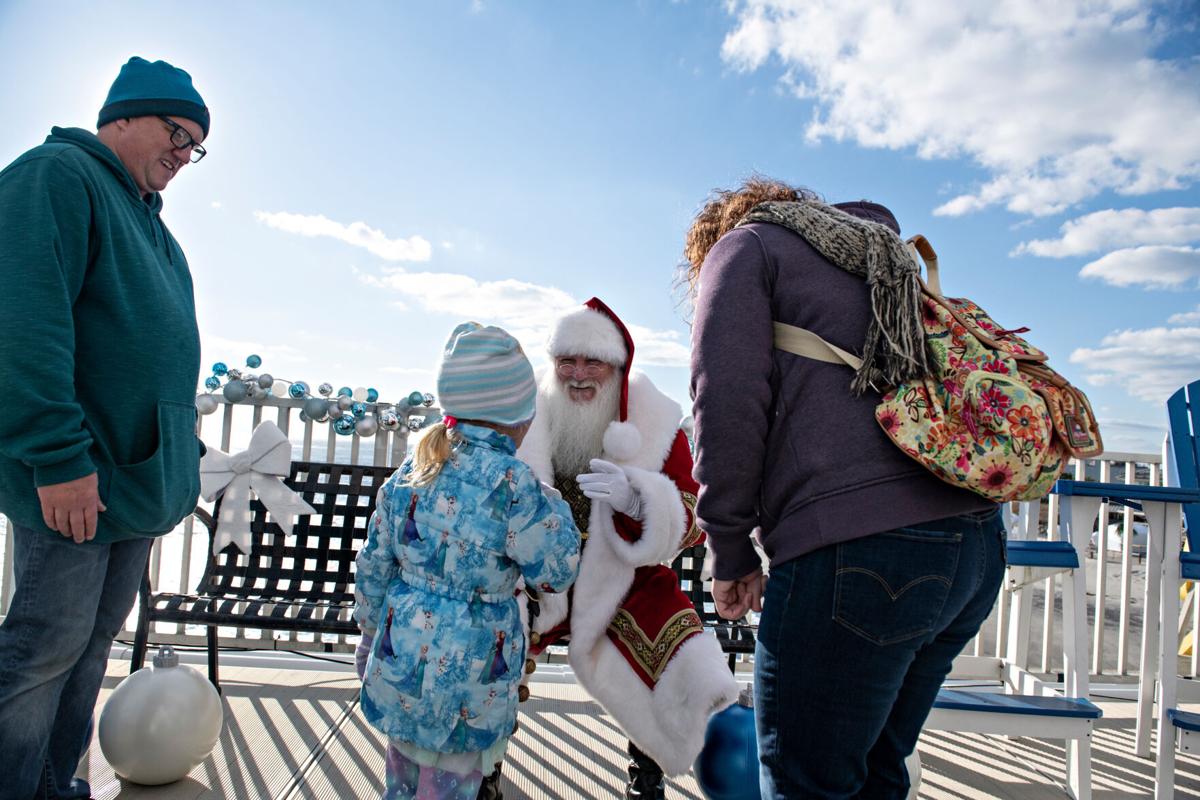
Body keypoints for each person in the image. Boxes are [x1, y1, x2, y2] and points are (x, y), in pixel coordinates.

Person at [686, 177, 1006, 798]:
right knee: (878, 774)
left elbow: (724, 406)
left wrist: (727, 550)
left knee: (809, 784)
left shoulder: (748, 247)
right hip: (976, 544)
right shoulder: (887, 257)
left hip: (858, 554)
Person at [0, 56, 210, 800]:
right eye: (176, 132)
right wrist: (58, 458)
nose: (185, 154)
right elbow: (23, 325)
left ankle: (52, 785)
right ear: (122, 115)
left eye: (195, 146)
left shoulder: (154, 228)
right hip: (78, 480)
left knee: (88, 652)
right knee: (41, 652)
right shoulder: (57, 177)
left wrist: (180, 458)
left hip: (135, 485)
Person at [515, 298, 738, 800]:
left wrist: (639, 500)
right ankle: (479, 766)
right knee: (485, 635)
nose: (577, 375)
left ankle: (650, 770)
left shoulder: (654, 419)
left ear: (617, 368)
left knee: (679, 641)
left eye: (591, 362)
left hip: (619, 575)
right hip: (532, 577)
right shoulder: (524, 411)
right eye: (565, 362)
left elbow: (692, 515)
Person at [354, 322, 581, 800]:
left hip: (401, 660)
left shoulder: (414, 469)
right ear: (518, 419)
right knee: (453, 786)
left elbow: (374, 564)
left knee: (404, 784)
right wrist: (553, 504)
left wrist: (372, 633)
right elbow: (557, 571)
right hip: (470, 684)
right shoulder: (516, 486)